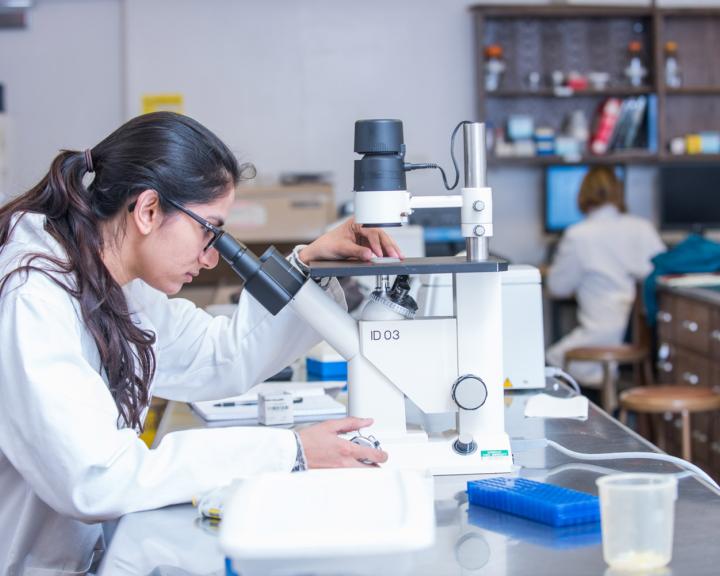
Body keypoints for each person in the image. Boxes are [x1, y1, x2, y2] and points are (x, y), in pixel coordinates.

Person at [0, 112, 402, 574]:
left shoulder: (112, 282)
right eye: (207, 230)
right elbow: (96, 477)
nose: (211, 258)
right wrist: (288, 451)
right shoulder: (33, 296)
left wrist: (306, 264)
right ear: (148, 210)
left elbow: (217, 356)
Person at [545, 166, 665, 385]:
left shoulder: (579, 235)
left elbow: (557, 287)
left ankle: (585, 414)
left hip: (602, 336)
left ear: (582, 195)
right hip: (641, 337)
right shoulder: (642, 228)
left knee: (551, 360)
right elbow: (660, 274)